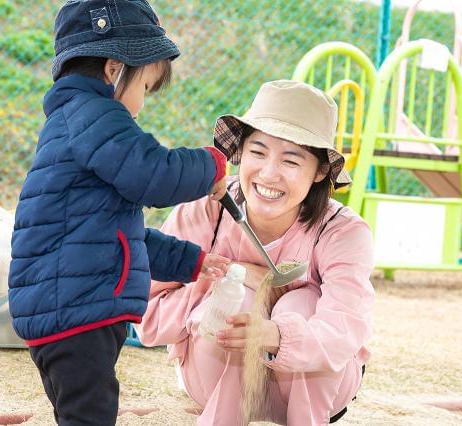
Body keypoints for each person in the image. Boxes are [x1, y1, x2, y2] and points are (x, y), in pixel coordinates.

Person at [7, 1, 231, 424]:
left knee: (81, 412)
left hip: (66, 310)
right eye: (144, 87)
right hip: (78, 310)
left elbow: (123, 236)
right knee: (90, 415)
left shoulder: (74, 125)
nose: (141, 104)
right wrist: (213, 163)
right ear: (114, 70)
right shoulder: (97, 117)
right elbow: (156, 174)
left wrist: (191, 260)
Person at [139, 80, 375, 425]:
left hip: (315, 392)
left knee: (301, 303)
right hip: (214, 381)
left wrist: (276, 335)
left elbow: (346, 327)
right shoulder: (207, 209)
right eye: (258, 152)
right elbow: (147, 317)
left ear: (321, 171)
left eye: (291, 160)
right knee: (236, 298)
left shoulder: (342, 231)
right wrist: (227, 275)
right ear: (240, 151)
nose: (268, 173)